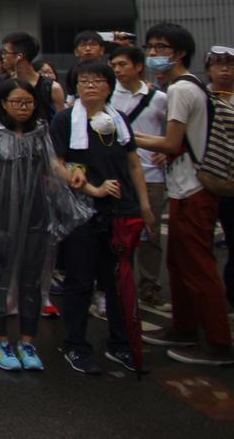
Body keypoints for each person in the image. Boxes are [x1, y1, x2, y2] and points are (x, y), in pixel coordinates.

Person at [134, 24, 234, 366]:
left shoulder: (181, 90)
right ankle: (184, 327)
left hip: (194, 189)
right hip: (185, 187)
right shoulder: (189, 87)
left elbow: (172, 144)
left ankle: (219, 343)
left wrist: (130, 137)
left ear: (178, 54)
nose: (153, 54)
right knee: (178, 263)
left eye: (161, 48)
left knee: (198, 266)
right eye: (151, 47)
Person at [50, 60, 153, 374]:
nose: (90, 85)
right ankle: (76, 344)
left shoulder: (118, 120)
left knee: (118, 281)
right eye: (84, 80)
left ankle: (120, 344)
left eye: (98, 80)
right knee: (80, 280)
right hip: (81, 213)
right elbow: (56, 163)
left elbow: (134, 164)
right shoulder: (66, 119)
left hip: (120, 211)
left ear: (109, 86)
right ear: (75, 86)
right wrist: (92, 189)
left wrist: (145, 204)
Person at [0, 78, 70, 372]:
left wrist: (74, 180)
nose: (22, 108)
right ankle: (0, 340)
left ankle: (28, 341)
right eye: (16, 102)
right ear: (3, 103)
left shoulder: (40, 132)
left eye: (28, 102)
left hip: (36, 214)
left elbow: (54, 167)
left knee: (32, 278)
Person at [108, 45, 169, 311]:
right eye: (114, 66)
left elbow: (176, 133)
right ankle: (123, 284)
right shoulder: (110, 96)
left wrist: (168, 153)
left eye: (122, 65)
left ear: (139, 66)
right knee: (120, 236)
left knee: (150, 234)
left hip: (153, 176)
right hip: (120, 176)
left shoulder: (159, 98)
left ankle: (150, 288)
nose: (118, 71)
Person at [204, 46, 234, 307]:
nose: (224, 69)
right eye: (218, 64)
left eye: (230, 64)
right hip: (205, 180)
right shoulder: (200, 97)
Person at [0, 32, 65, 122]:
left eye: (6, 53)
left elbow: (60, 122)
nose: (3, 57)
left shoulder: (52, 88)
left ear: (19, 56)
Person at [64, 31, 107, 105]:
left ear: (102, 50)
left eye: (93, 45)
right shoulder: (73, 71)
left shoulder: (108, 70)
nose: (88, 48)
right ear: (76, 51)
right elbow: (71, 94)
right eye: (83, 45)